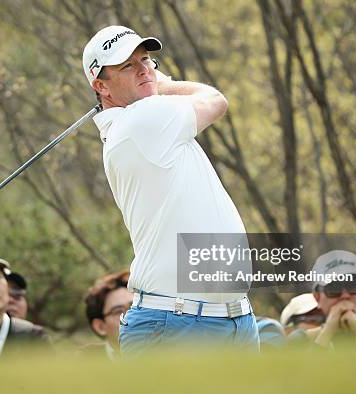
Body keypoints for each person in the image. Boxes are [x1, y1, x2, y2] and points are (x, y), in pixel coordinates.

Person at [82, 25, 257, 354]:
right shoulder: (142, 120)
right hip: (178, 322)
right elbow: (215, 100)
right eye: (128, 66)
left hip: (227, 319)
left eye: (146, 60)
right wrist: (166, 85)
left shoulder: (144, 120)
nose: (145, 70)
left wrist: (152, 85)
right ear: (101, 86)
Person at [83, 270, 133, 360]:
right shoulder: (83, 364)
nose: (131, 316)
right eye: (118, 311)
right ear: (100, 326)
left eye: (134, 307)